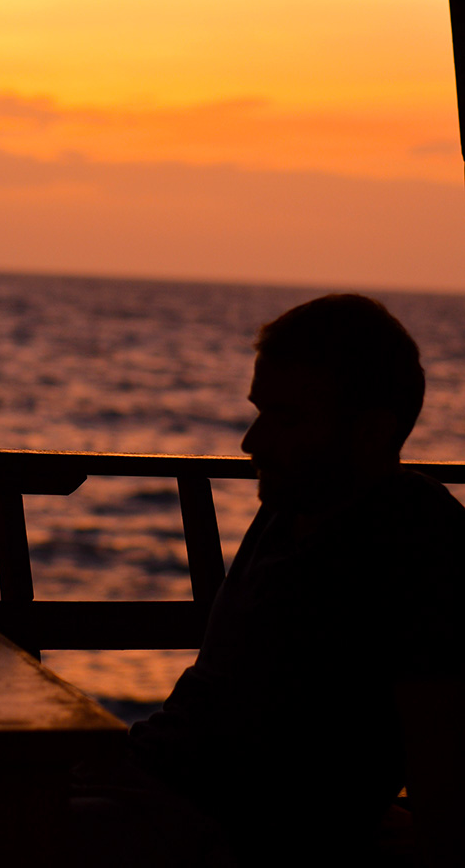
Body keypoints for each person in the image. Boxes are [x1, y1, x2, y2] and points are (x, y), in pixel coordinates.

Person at [71, 294, 465, 867]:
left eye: (287, 419)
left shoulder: (419, 546)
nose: (251, 442)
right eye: (260, 412)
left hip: (206, 825)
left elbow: (439, 751)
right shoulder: (296, 503)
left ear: (372, 432)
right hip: (146, 781)